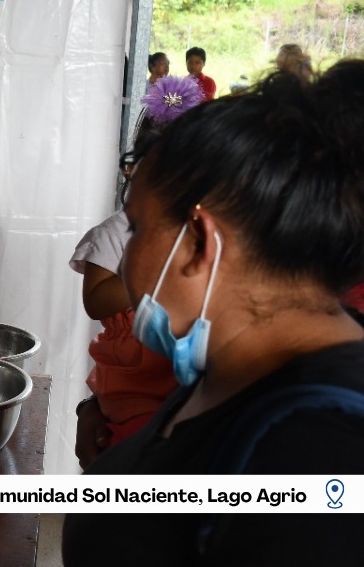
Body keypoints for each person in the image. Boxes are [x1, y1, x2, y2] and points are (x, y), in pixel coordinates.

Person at [63, 60, 364, 565]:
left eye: (137, 229)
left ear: (200, 241)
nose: (127, 260)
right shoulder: (230, 360)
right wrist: (103, 419)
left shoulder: (321, 449)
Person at [71, 75, 204, 469]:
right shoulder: (116, 231)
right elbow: (96, 301)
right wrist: (155, 279)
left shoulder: (202, 227)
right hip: (134, 376)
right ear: (136, 170)